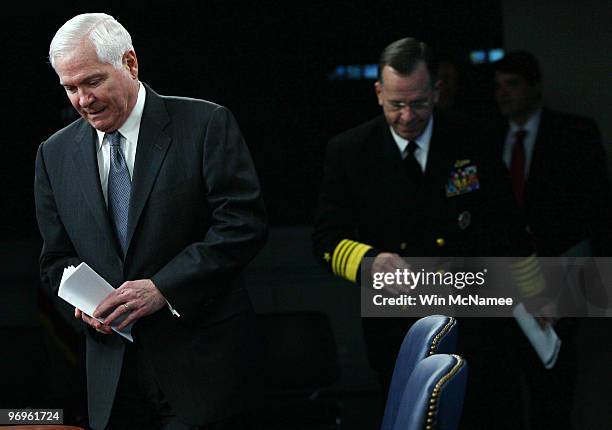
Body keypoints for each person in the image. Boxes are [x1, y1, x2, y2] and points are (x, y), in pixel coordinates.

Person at [34, 13, 267, 430]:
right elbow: (55, 259)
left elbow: (242, 226)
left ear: (130, 63)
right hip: (112, 378)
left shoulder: (205, 124)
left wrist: (163, 288)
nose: (83, 100)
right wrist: (82, 304)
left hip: (205, 372)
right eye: (70, 88)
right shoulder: (54, 154)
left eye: (92, 82)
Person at [312, 37, 534, 428]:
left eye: (419, 103)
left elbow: (509, 227)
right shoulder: (350, 151)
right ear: (379, 92)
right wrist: (369, 262)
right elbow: (326, 241)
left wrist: (537, 293)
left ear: (436, 90)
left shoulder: (473, 137)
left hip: (478, 317)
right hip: (399, 328)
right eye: (396, 104)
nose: (408, 116)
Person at [493, 50, 612, 429]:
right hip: (507, 270)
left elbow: (596, 205)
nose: (504, 94)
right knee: (509, 370)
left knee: (557, 375)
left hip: (561, 264)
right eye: (497, 87)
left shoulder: (573, 133)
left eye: (512, 85)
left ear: (534, 87)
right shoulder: (488, 138)